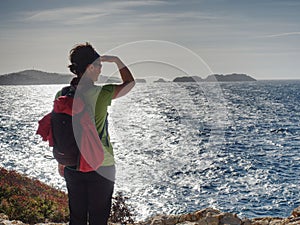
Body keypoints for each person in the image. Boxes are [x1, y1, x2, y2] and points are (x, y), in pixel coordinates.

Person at [56, 42, 135, 225]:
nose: (100, 70)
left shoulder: (62, 94)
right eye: (99, 65)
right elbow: (130, 83)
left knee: (77, 218)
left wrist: (62, 160)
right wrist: (117, 61)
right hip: (102, 164)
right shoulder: (102, 93)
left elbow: (58, 130)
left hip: (72, 164)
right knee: (99, 219)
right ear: (90, 68)